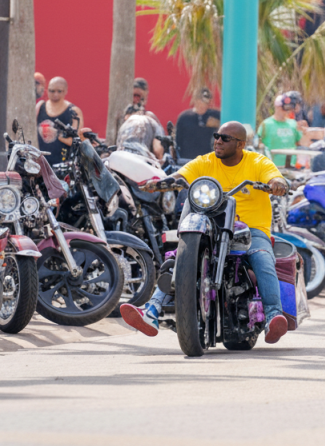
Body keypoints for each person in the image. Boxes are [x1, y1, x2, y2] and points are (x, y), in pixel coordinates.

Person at [120, 121, 291, 344]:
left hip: (251, 230)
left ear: (240, 145)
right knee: (176, 259)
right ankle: (151, 311)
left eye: (225, 138)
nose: (218, 141)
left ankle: (272, 316)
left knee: (262, 257)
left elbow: (274, 177)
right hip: (212, 228)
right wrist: (162, 183)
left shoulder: (258, 162)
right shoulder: (205, 161)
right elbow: (182, 177)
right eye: (216, 136)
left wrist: (277, 183)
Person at [36, 76, 83, 163]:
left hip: (64, 163)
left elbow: (76, 140)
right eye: (52, 91)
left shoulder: (73, 111)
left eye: (59, 91)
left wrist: (58, 135)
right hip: (41, 162)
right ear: (47, 90)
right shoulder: (40, 107)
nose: (55, 94)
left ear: (65, 91)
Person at [256, 93, 304, 167]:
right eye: (284, 108)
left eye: (288, 108)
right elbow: (258, 143)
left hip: (291, 166)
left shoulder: (293, 124)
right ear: (277, 107)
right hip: (272, 166)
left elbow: (300, 142)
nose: (286, 111)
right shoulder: (266, 124)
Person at [176, 88, 221, 162]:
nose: (203, 105)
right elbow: (178, 140)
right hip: (187, 160)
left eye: (206, 103)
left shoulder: (213, 115)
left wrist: (217, 124)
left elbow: (228, 123)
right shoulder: (184, 117)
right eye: (201, 102)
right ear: (195, 100)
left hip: (206, 160)